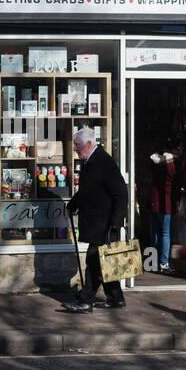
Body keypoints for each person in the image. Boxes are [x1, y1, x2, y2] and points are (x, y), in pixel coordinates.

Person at [65, 128, 128, 311]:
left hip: (106, 223)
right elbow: (87, 190)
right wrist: (72, 204)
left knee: (94, 261)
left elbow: (120, 192)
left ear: (89, 144)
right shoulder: (89, 161)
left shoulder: (103, 162)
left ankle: (86, 300)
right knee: (105, 262)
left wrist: (117, 220)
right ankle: (116, 298)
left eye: (78, 145)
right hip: (96, 221)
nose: (75, 149)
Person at [148, 135, 186, 274]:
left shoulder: (156, 161)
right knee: (166, 233)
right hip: (167, 203)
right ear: (174, 149)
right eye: (180, 148)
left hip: (154, 201)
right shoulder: (174, 164)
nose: (182, 150)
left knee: (155, 232)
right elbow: (183, 183)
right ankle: (164, 263)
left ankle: (152, 262)